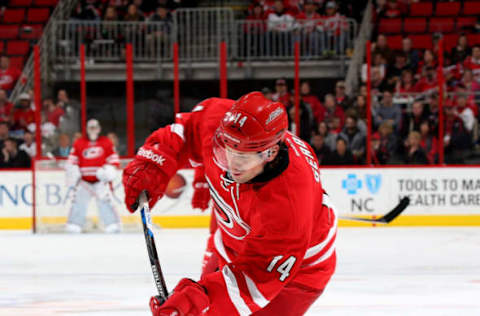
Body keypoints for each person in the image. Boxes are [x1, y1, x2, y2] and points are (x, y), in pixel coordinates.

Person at [122, 92, 337, 316]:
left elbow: (256, 279)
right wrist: (155, 161)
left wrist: (200, 302)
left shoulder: (287, 204)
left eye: (242, 158)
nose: (231, 164)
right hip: (231, 244)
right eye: (226, 151)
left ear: (270, 153)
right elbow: (186, 132)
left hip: (295, 275)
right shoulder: (222, 123)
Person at [65, 119, 121, 233]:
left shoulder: (106, 142)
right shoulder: (79, 143)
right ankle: (74, 225)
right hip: (84, 181)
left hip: (100, 182)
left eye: (95, 127)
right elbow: (72, 161)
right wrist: (74, 170)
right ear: (86, 129)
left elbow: (114, 160)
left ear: (99, 129)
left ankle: (112, 224)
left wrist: (110, 170)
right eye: (91, 128)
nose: (93, 130)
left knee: (105, 202)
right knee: (78, 202)